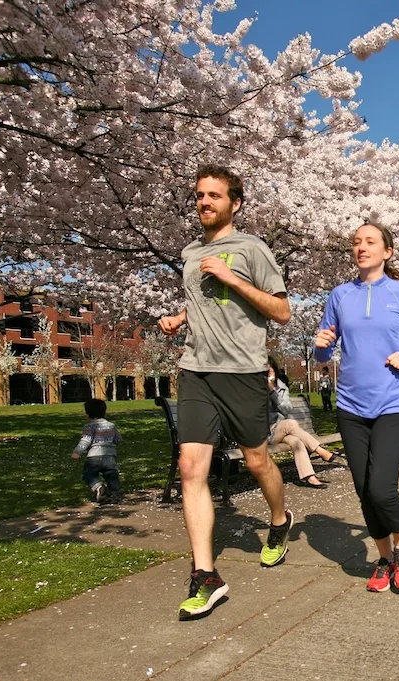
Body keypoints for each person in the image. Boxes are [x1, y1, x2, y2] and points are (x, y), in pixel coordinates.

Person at [158, 165, 292, 621]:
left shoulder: (253, 249)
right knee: (190, 467)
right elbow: (201, 303)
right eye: (199, 195)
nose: (204, 202)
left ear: (234, 203)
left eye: (214, 195)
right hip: (196, 371)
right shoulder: (189, 252)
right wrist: (180, 318)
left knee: (257, 461)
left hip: (243, 372)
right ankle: (206, 576)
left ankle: (279, 521)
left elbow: (282, 311)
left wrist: (235, 279)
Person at [314, 221, 399, 594]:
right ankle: (384, 557)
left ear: (387, 252)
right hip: (351, 405)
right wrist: (321, 345)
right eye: (356, 242)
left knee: (381, 488)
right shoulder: (340, 295)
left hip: (392, 403)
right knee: (362, 489)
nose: (361, 247)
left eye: (370, 242)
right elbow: (323, 351)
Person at [268, 356, 342, 489]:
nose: (267, 376)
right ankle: (320, 450)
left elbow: (286, 409)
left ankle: (310, 477)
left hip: (280, 430)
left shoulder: (281, 387)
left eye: (270, 372)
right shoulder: (254, 389)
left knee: (297, 442)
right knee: (291, 423)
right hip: (266, 432)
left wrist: (273, 392)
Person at [70, 398, 123, 504]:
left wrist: (77, 452)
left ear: (87, 414)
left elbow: (86, 440)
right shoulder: (111, 425)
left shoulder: (89, 426)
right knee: (112, 475)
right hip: (110, 456)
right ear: (105, 412)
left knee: (88, 474)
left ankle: (98, 486)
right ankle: (114, 494)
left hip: (94, 456)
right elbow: (118, 439)